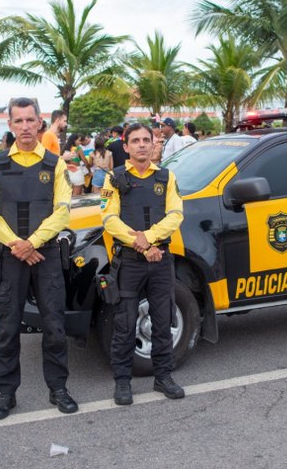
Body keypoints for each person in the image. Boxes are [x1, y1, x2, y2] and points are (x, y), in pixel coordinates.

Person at [0, 96, 78, 419]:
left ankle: (58, 388)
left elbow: (63, 212)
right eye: (18, 121)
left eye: (30, 120)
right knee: (7, 328)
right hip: (9, 257)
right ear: (10, 124)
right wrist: (16, 244)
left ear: (39, 123)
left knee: (54, 326)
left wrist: (32, 243)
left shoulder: (55, 163)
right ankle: (6, 394)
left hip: (45, 255)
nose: (24, 126)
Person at [101, 123, 185, 406]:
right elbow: (109, 219)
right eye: (134, 140)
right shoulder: (114, 178)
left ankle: (163, 377)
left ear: (153, 144)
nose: (140, 145)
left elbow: (175, 215)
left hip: (160, 259)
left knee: (163, 321)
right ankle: (122, 382)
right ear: (125, 146)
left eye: (145, 140)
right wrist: (141, 245)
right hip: (130, 262)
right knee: (125, 324)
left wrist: (148, 240)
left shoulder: (166, 176)